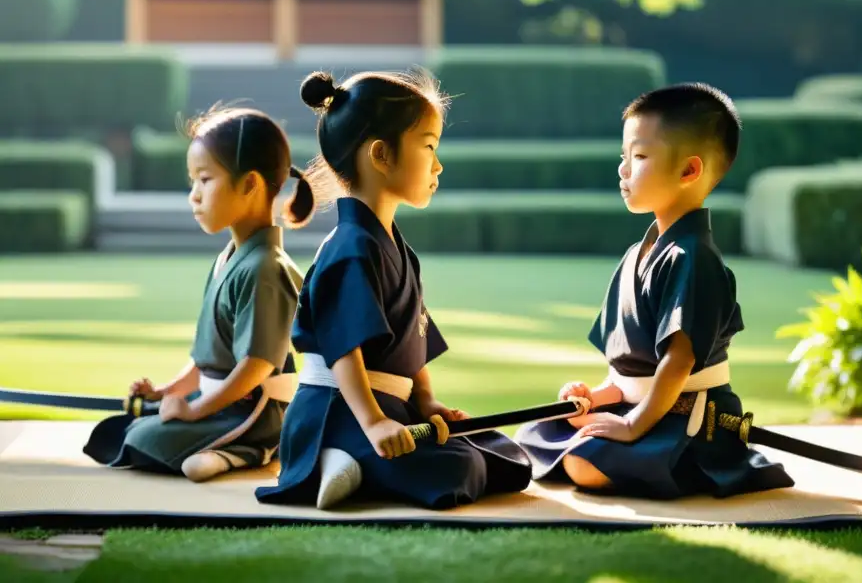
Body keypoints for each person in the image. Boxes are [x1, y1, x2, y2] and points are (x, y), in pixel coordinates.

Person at [254, 67, 532, 511]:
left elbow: (412, 336)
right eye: (428, 147)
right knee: (458, 469)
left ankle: (352, 466)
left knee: (501, 456)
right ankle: (334, 457)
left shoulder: (389, 245)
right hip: (340, 412)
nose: (437, 164)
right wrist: (373, 421)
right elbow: (344, 349)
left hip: (386, 410)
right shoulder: (350, 249)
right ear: (381, 155)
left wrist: (425, 400)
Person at [514, 83, 795, 500]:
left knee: (581, 461)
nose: (623, 170)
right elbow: (631, 371)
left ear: (689, 171)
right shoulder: (637, 254)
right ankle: (627, 448)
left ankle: (699, 467)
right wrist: (595, 398)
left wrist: (630, 425)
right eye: (624, 156)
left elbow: (678, 361)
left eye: (639, 157)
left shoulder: (693, 256)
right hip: (640, 407)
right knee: (535, 434)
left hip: (690, 419)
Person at [83, 107, 311, 482]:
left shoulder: (266, 269)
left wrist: (195, 411)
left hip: (254, 412)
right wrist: (165, 392)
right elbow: (205, 360)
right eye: (194, 182)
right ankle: (216, 447)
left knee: (141, 440)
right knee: (119, 431)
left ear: (250, 184)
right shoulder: (231, 259)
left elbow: (256, 366)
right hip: (221, 404)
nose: (194, 196)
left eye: (205, 180)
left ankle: (248, 451)